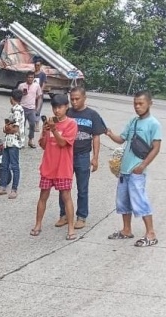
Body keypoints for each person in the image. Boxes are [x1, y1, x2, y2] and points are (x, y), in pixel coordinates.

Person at [105, 90, 161, 247]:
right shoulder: (133, 122)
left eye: (141, 103)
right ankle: (126, 230)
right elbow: (121, 139)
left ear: (150, 103)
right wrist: (109, 133)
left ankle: (150, 234)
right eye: (135, 103)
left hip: (137, 171)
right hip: (124, 171)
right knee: (123, 202)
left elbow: (156, 148)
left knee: (140, 201)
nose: (137, 106)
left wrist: (142, 166)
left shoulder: (154, 124)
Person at [55, 87, 107, 230]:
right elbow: (56, 128)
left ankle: (81, 216)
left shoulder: (93, 115)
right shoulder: (67, 113)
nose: (74, 101)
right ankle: (64, 214)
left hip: (83, 156)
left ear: (85, 98)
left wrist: (95, 157)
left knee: (82, 188)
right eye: (72, 99)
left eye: (77, 99)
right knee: (63, 187)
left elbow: (96, 137)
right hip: (66, 155)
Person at [30, 94, 78, 240]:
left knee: (66, 197)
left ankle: (70, 228)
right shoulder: (49, 123)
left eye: (60, 107)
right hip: (48, 166)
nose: (57, 110)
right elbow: (44, 145)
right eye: (54, 107)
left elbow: (63, 143)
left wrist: (54, 130)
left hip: (63, 168)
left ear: (66, 107)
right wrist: (46, 131)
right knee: (43, 196)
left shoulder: (71, 124)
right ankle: (38, 224)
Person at [0, 88, 25, 199]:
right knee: (4, 165)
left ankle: (14, 189)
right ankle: (2, 187)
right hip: (9, 142)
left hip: (14, 142)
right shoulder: (15, 109)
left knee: (14, 166)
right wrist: (7, 128)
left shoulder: (17, 110)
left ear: (11, 98)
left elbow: (15, 128)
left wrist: (6, 129)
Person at [17, 71, 43, 148]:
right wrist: (21, 95)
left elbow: (40, 97)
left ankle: (30, 140)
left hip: (32, 109)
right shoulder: (21, 85)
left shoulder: (36, 86)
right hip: (22, 108)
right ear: (26, 78)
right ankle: (21, 141)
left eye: (32, 77)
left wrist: (38, 108)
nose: (30, 79)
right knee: (22, 125)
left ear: (33, 78)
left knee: (32, 125)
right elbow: (17, 96)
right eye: (29, 77)